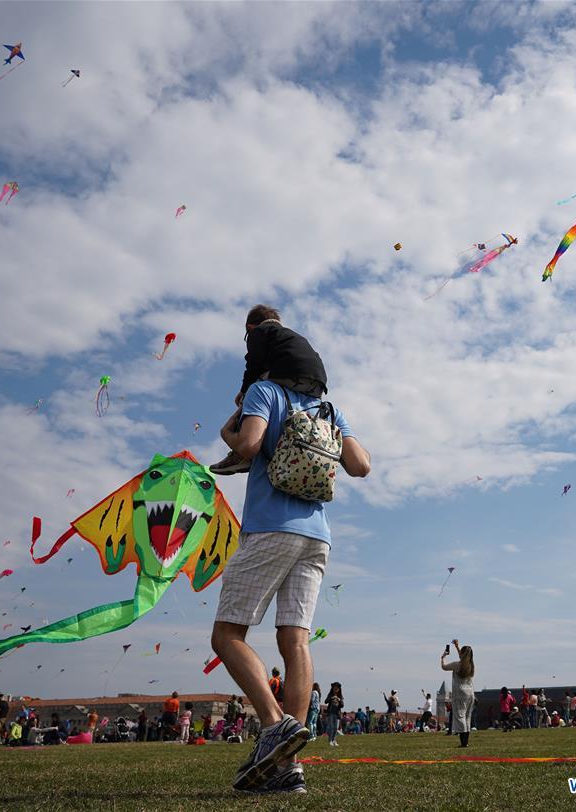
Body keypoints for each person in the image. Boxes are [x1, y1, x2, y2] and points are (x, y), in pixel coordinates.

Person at [210, 343, 371, 795]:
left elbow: (248, 445)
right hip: (317, 536)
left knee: (227, 635)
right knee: (294, 639)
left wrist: (231, 429)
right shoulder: (329, 409)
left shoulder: (265, 392)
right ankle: (287, 766)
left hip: (270, 529)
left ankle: (274, 725)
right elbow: (361, 466)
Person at [211, 305, 329, 475]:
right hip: (317, 383)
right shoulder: (291, 336)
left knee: (253, 395)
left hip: (289, 371)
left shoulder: (260, 332)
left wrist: (244, 391)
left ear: (249, 328)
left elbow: (253, 364)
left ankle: (240, 455)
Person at [441, 640, 475, 747]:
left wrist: (443, 657)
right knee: (467, 717)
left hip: (460, 693)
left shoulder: (457, 665)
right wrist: (457, 646)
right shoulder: (471, 666)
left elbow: (444, 667)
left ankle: (463, 742)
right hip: (470, 693)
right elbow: (463, 656)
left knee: (460, 716)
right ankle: (466, 741)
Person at [323, 683, 343, 747]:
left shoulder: (340, 696)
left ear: (339, 689)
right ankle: (330, 741)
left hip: (337, 714)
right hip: (331, 713)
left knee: (336, 728)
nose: (335, 690)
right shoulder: (330, 695)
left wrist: (339, 700)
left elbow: (342, 705)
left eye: (337, 689)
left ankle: (334, 740)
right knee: (331, 727)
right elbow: (325, 701)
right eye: (334, 688)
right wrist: (331, 698)